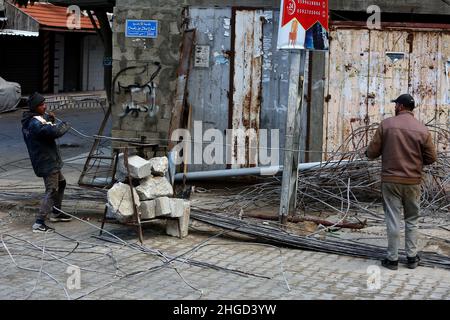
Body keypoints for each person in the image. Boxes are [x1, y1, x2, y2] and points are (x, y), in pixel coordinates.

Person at [366, 93, 437, 270]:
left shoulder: (386, 125)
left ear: (400, 106)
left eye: (395, 104)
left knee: (393, 219)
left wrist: (368, 154)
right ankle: (412, 258)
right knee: (412, 219)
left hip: (390, 180)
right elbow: (431, 157)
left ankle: (392, 260)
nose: (394, 107)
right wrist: (416, 163)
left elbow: (373, 152)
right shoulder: (422, 129)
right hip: (413, 181)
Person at [21, 92, 72, 233]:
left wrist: (49, 119)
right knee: (52, 189)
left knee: (61, 183)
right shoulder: (33, 123)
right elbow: (53, 132)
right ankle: (39, 222)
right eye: (41, 105)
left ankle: (56, 212)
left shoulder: (33, 119)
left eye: (44, 103)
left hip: (49, 160)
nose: (45, 106)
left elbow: (45, 125)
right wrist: (64, 125)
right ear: (34, 107)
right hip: (46, 162)